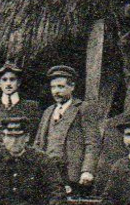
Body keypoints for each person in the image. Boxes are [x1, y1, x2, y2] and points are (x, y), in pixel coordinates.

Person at [34, 64, 105, 192]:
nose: (56, 91)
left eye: (61, 87)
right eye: (53, 87)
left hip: (72, 175)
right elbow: (38, 144)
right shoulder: (48, 111)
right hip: (48, 173)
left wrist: (87, 170)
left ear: (72, 87)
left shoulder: (83, 109)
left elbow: (92, 142)